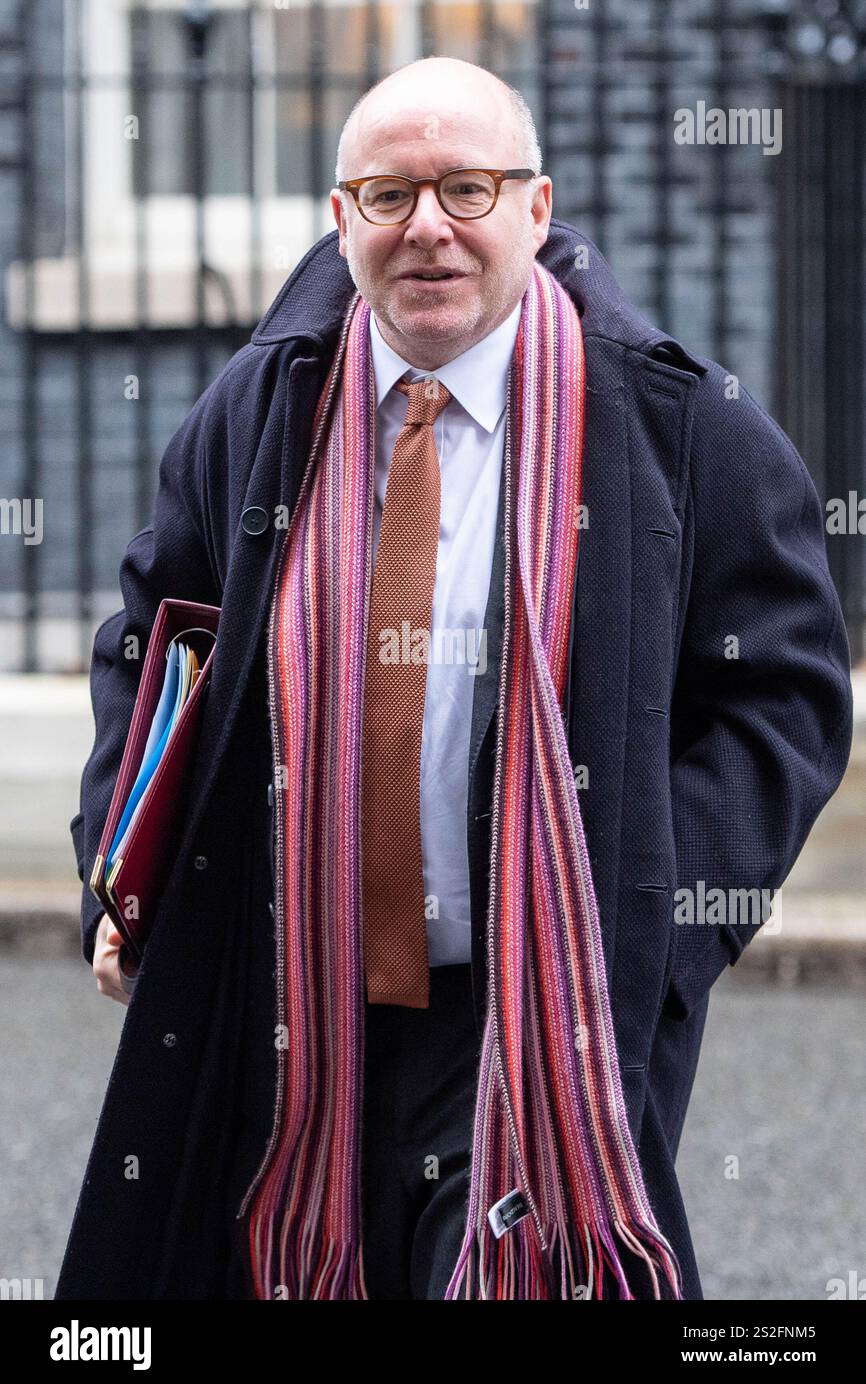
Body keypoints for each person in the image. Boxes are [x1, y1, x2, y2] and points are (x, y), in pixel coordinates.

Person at [56, 56, 852, 1301]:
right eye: (389, 194)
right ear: (342, 220)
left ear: (535, 211)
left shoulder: (667, 421)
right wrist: (122, 859)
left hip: (527, 1005)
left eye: (467, 189)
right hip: (292, 1004)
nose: (428, 226)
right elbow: (157, 637)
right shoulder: (262, 404)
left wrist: (651, 916)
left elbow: (784, 695)